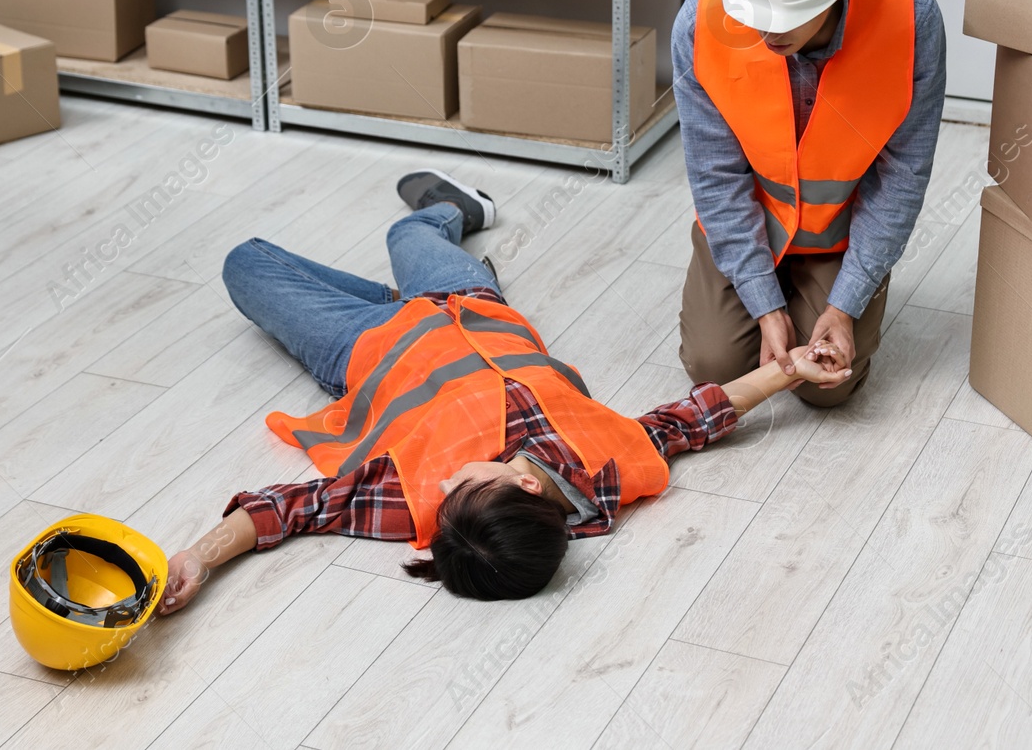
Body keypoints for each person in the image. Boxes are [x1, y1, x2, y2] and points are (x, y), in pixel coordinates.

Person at [159, 170, 849, 609]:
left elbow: (291, 508)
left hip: (367, 343)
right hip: (468, 300)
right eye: (470, 483)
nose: (451, 479)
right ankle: (449, 212)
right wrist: (794, 368)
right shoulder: (608, 467)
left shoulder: (426, 503)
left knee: (245, 262)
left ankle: (392, 292)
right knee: (409, 227)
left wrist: (198, 554)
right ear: (524, 488)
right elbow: (696, 416)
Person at [672, 0, 946, 406]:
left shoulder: (913, 21)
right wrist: (763, 304)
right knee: (716, 366)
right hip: (751, 219)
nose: (769, 34)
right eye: (757, 14)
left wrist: (844, 305)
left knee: (826, 388)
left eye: (790, 14)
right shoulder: (701, 22)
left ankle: (824, 296)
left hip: (838, 233)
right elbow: (715, 176)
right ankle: (769, 289)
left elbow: (901, 179)